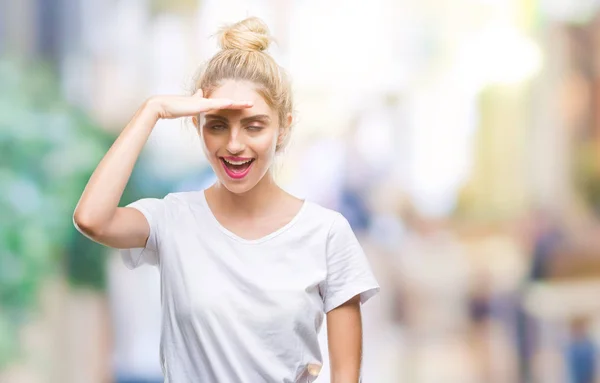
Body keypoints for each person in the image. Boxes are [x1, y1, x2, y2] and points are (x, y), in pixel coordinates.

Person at [73, 17, 380, 383]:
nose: (234, 145)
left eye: (254, 125)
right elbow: (92, 218)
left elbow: (346, 377)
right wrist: (151, 110)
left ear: (284, 127)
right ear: (197, 124)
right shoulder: (172, 219)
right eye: (217, 124)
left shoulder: (327, 233)